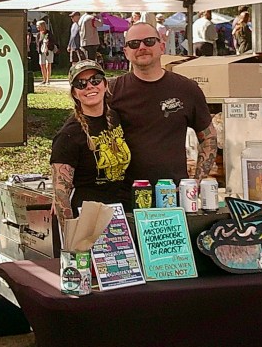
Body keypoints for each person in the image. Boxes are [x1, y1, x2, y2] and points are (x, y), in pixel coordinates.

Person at [109, 22, 217, 190]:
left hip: (172, 194)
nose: (142, 47)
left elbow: (208, 137)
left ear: (162, 46)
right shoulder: (111, 91)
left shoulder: (187, 89)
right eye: (134, 44)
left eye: (149, 41)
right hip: (123, 195)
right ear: (126, 52)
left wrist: (195, 182)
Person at [50, 60, 131, 230]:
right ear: (74, 93)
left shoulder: (115, 118)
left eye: (95, 80)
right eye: (81, 83)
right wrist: (71, 238)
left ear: (105, 84)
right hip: (88, 220)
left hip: (121, 214)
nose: (89, 86)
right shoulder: (68, 135)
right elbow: (60, 193)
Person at [36, 20, 57, 85]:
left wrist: (48, 45)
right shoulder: (38, 34)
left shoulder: (49, 33)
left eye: (38, 26)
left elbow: (53, 41)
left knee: (48, 64)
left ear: (42, 26)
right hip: (41, 51)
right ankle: (44, 79)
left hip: (48, 51)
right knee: (42, 65)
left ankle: (48, 80)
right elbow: (37, 43)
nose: (37, 27)